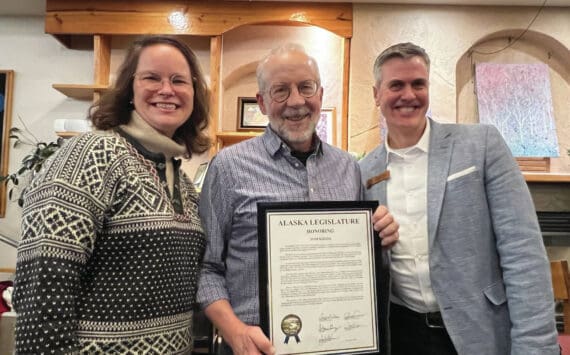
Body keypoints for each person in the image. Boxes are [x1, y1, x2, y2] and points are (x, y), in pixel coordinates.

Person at [197, 43, 399, 355]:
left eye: (306, 87)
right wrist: (234, 332)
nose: (296, 101)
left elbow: (361, 263)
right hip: (257, 346)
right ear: (262, 102)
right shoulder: (228, 167)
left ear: (319, 95)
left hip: (339, 342)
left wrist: (379, 238)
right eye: (280, 90)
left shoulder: (348, 167)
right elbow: (206, 268)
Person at [13, 35, 210, 354]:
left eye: (179, 80)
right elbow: (43, 281)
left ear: (193, 93)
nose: (166, 90)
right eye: (151, 77)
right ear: (129, 90)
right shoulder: (90, 154)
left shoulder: (182, 181)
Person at [360, 42, 559, 355]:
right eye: (396, 85)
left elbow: (523, 252)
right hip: (400, 334)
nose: (408, 95)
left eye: (418, 84)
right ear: (376, 94)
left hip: (479, 331)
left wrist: (535, 346)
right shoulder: (364, 171)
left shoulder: (481, 145)